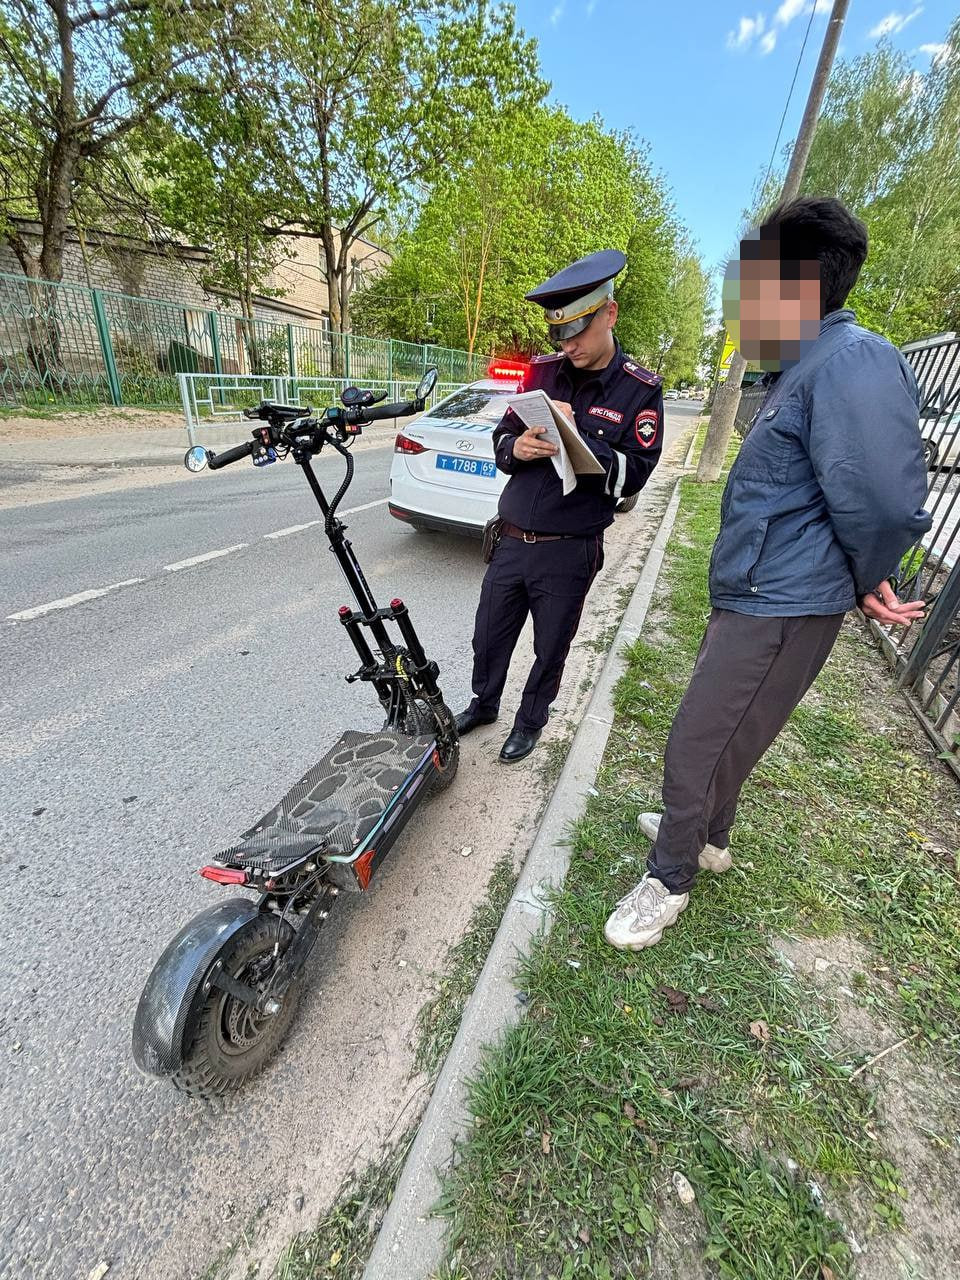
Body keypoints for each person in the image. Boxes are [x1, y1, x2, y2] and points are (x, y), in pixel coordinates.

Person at [603, 196, 932, 951]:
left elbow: (881, 497)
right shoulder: (804, 363)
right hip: (765, 591)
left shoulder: (852, 359)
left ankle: (669, 878)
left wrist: (868, 578)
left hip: (784, 601)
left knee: (696, 740)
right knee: (732, 729)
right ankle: (710, 839)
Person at [456, 250, 664, 763]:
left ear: (609, 314)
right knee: (489, 636)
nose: (567, 345)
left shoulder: (639, 390)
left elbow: (633, 474)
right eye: (559, 335)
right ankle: (484, 704)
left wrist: (580, 434)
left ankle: (530, 722)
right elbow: (503, 437)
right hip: (511, 539)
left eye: (578, 332)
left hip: (569, 551)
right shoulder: (541, 373)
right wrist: (516, 448)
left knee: (550, 649)